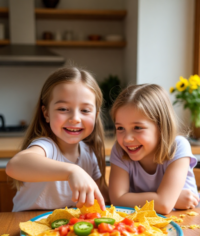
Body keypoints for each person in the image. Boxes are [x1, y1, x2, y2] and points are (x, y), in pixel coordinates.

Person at [6, 67, 108, 212]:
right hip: (25, 225)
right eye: (63, 109)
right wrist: (72, 171)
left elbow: (101, 196)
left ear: (96, 116)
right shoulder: (46, 146)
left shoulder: (90, 153)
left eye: (85, 110)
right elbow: (14, 166)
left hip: (62, 231)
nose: (75, 119)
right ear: (46, 113)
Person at [109, 84, 199, 214]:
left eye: (137, 128)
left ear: (161, 127)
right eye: (120, 128)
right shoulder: (119, 151)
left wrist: (163, 201)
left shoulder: (178, 146)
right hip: (144, 226)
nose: (127, 139)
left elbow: (164, 205)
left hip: (187, 223)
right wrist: (166, 199)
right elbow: (117, 200)